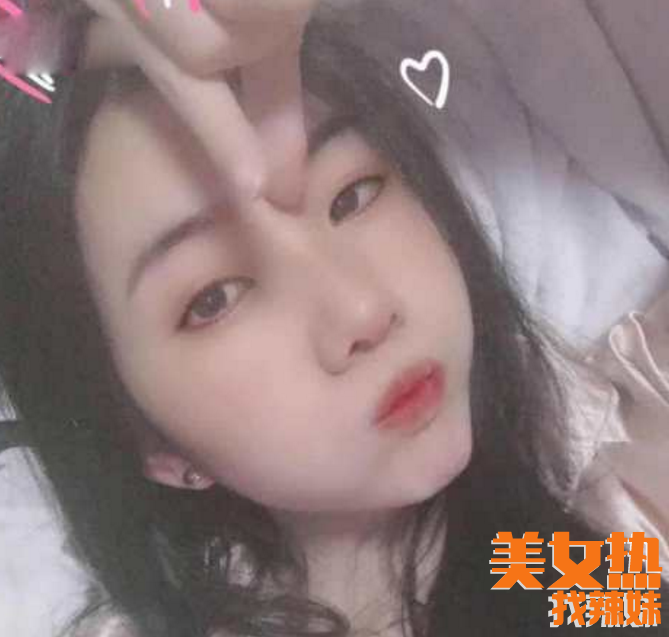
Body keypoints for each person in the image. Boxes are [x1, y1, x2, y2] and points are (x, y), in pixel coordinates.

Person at [0, 1, 667, 636]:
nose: (363, 310)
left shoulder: (598, 528)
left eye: (352, 195)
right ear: (147, 439)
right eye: (214, 298)